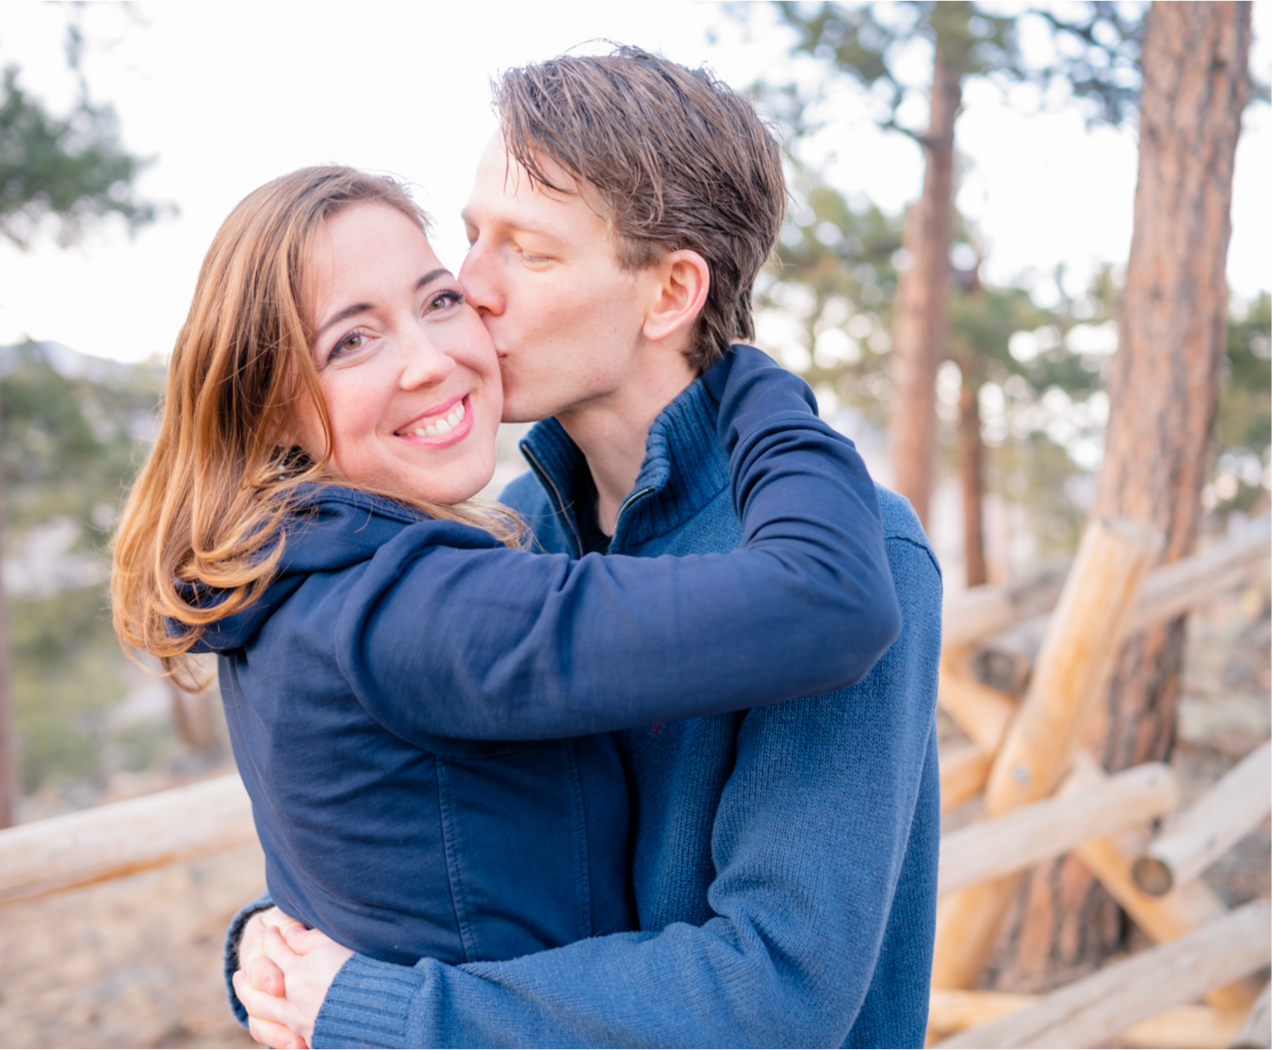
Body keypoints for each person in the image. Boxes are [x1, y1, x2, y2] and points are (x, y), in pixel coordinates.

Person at [232, 48, 943, 1050]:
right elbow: (436, 841)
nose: (467, 288)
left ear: (668, 294)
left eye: (527, 250)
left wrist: (381, 1008)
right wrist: (287, 950)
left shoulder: (855, 551)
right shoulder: (512, 524)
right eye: (472, 237)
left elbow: (776, 993)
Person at [111, 166, 902, 984]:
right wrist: (751, 382)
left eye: (438, 300)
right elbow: (828, 597)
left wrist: (276, 964)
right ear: (269, 405)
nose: (429, 360)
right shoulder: (404, 606)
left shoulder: (294, 573)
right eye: (352, 340)